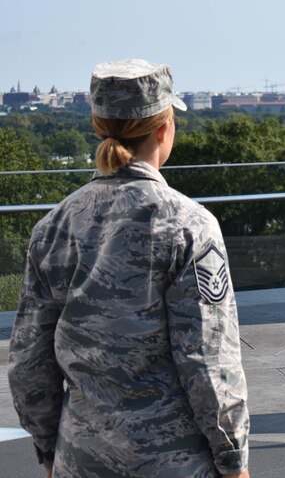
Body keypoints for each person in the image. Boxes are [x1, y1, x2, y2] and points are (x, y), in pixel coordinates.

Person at [7, 59, 250, 478]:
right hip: (174, 461)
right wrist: (233, 460)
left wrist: (49, 451)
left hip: (80, 456)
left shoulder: (55, 225)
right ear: (163, 128)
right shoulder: (188, 224)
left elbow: (29, 362)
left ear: (99, 125)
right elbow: (208, 361)